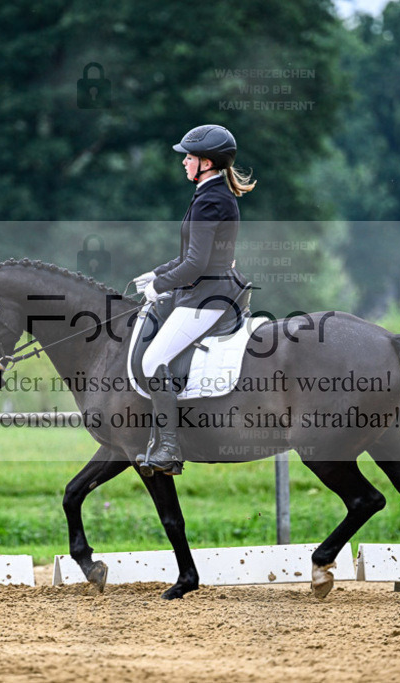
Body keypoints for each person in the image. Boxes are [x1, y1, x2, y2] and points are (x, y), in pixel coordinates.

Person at [132, 124, 256, 476]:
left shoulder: (211, 200)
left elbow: (196, 265)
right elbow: (190, 255)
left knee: (153, 360)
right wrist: (156, 274)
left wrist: (160, 286)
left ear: (206, 163)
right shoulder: (210, 194)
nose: (184, 162)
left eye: (189, 157)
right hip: (207, 290)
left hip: (208, 298)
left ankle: (169, 447)